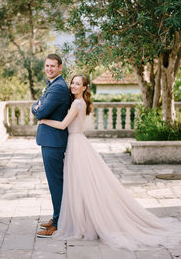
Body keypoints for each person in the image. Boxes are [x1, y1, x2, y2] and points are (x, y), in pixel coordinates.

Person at [39, 74, 181, 251]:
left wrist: (44, 120)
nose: (74, 86)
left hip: (76, 145)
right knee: (81, 185)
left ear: (85, 87)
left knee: (80, 184)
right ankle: (83, 220)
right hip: (77, 143)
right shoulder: (78, 102)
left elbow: (62, 125)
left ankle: (85, 223)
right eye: (73, 83)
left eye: (78, 84)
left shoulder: (77, 104)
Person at [32, 54, 70, 238]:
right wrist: (37, 107)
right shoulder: (52, 85)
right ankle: (57, 217)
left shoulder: (58, 88)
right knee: (55, 183)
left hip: (53, 142)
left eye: (53, 66)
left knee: (56, 184)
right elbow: (35, 106)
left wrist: (38, 108)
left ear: (60, 67)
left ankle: (57, 223)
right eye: (47, 65)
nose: (49, 69)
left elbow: (41, 112)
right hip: (50, 140)